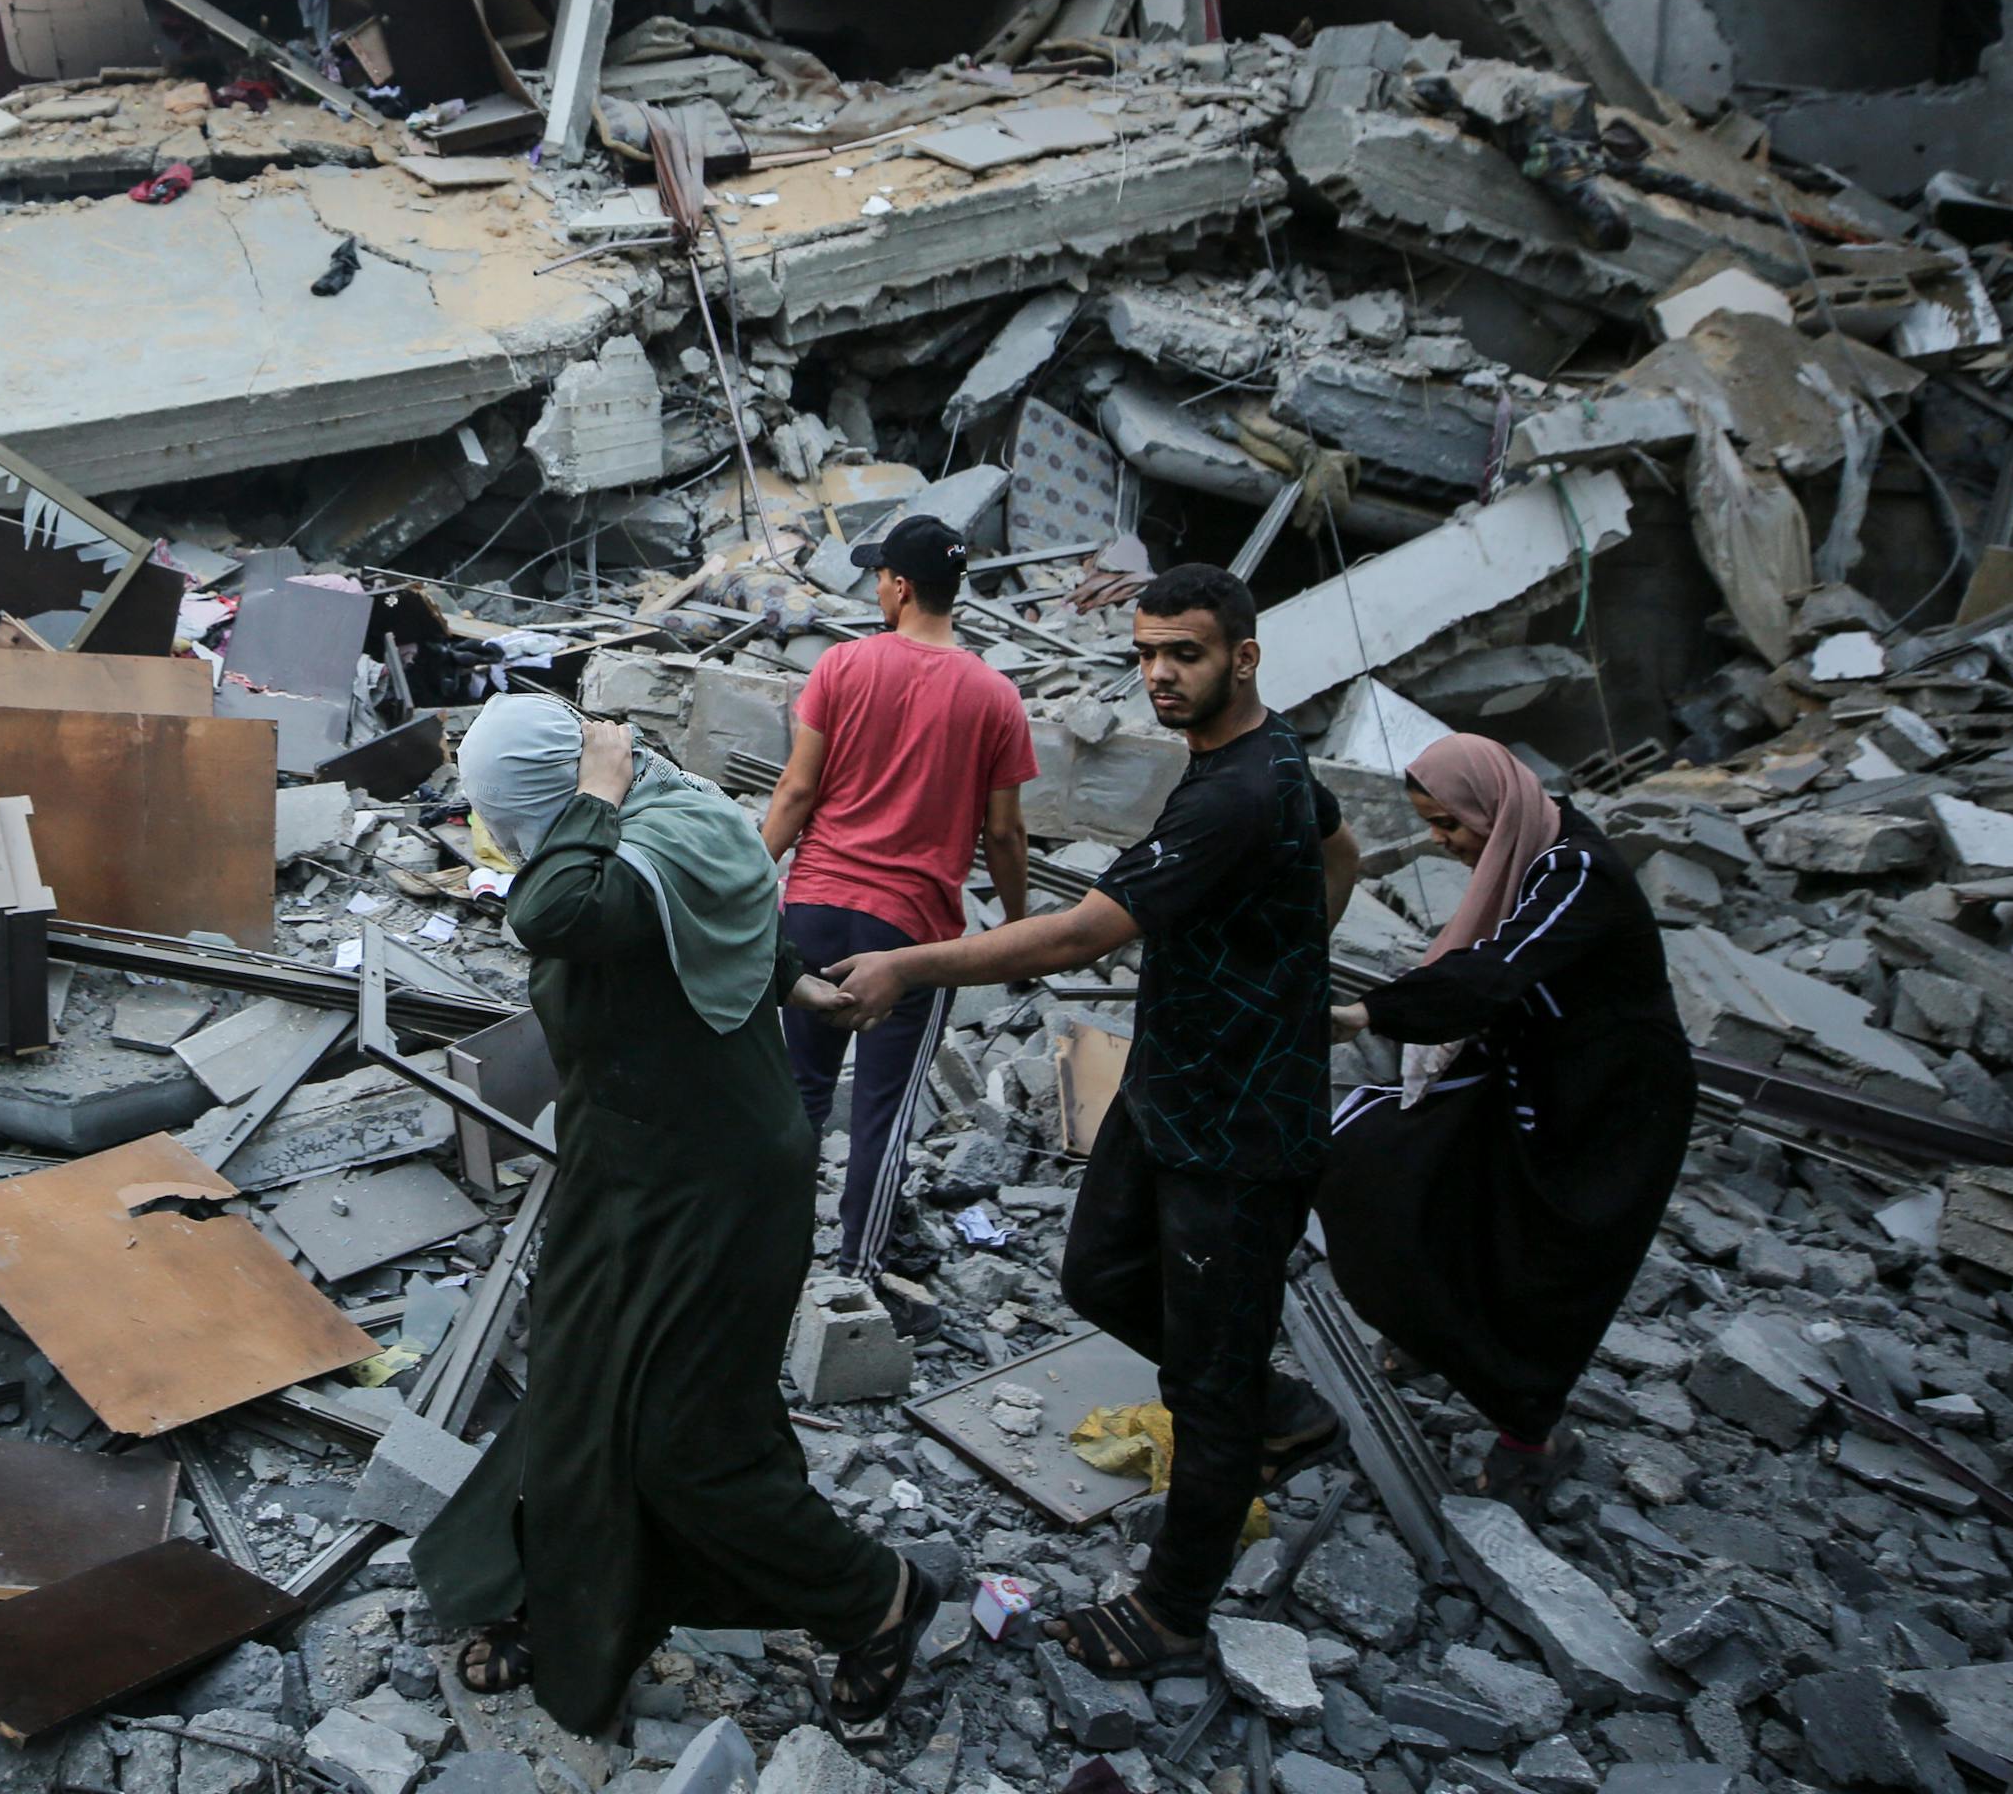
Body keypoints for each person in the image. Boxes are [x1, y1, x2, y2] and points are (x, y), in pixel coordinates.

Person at [818, 563, 1355, 1678]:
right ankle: (1271, 1401)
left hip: (1239, 1129)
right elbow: (1340, 855)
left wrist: (910, 964)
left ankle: (1171, 1610)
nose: (1158, 674)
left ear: (1243, 658)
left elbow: (1076, 937)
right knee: (1098, 1276)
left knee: (1204, 1385)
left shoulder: (1241, 792)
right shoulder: (1260, 763)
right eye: (1147, 653)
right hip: (1172, 1088)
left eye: (1186, 655)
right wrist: (1277, 960)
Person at [418, 695, 944, 1743]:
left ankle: (876, 1599)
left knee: (685, 1441)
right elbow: (722, 930)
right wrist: (795, 980)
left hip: (715, 1189)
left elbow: (553, 911)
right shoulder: (647, 841)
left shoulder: (634, 845)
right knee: (572, 1390)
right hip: (623, 1167)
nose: (493, 841)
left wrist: (593, 800)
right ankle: (556, 1593)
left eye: (501, 817)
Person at [1321, 734, 1691, 1509]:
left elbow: (1494, 971)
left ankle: (1531, 1435)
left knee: (1549, 1266)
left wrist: (1369, 1014)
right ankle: (1434, 1333)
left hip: (1609, 1115)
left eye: (1450, 826)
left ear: (1495, 811)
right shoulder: (1530, 859)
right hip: (1530, 1079)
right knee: (1390, 1171)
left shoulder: (1575, 872)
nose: (1441, 842)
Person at [763, 514, 1038, 1276]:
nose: (877, 588)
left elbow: (796, 793)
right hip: (912, 938)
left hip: (813, 912)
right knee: (882, 1116)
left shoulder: (842, 667)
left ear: (903, 586)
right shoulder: (996, 697)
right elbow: (1006, 837)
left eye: (881, 576)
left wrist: (749, 883)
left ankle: (763, 1250)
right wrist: (1016, 934)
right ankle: (854, 1273)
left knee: (799, 1096)